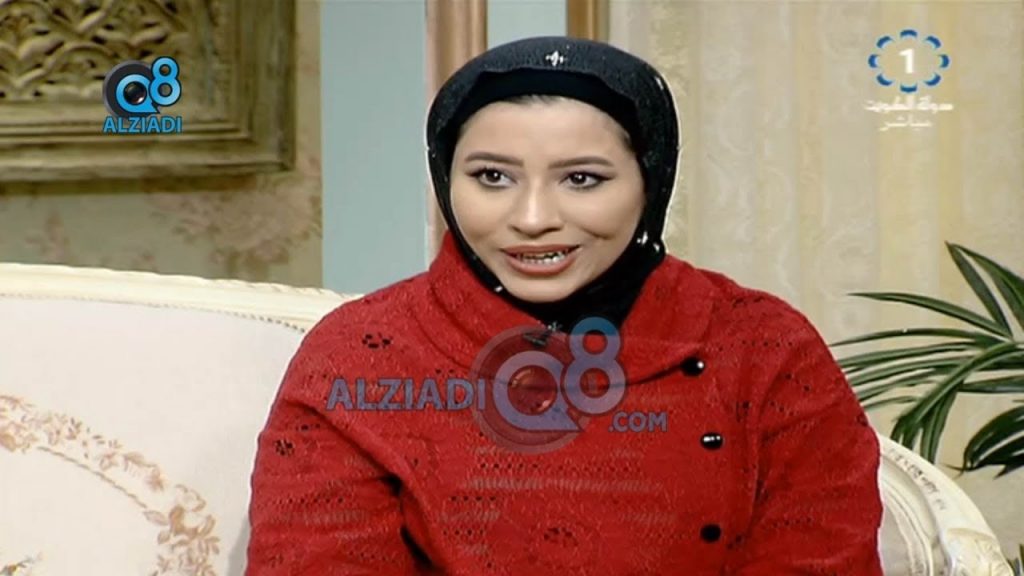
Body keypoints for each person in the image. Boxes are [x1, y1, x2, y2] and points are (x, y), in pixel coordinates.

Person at [245, 36, 883, 575]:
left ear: (651, 181)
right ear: (445, 178)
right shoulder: (360, 356)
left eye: (582, 179)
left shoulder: (763, 346)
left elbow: (823, 556)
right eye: (492, 177)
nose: (532, 218)